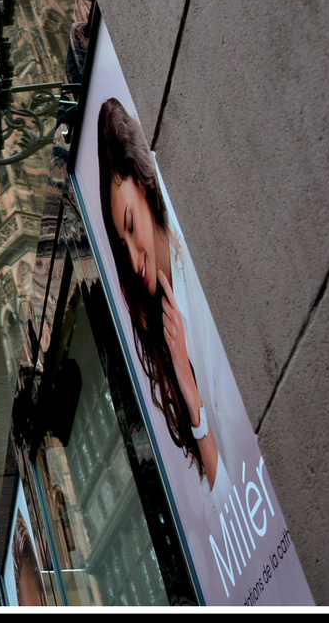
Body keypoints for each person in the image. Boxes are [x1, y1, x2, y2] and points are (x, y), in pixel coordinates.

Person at [96, 97, 226, 495]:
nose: (134, 258)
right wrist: (186, 383)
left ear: (144, 180)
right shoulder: (168, 327)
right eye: (123, 243)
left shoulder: (198, 275)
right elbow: (223, 490)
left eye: (130, 226)